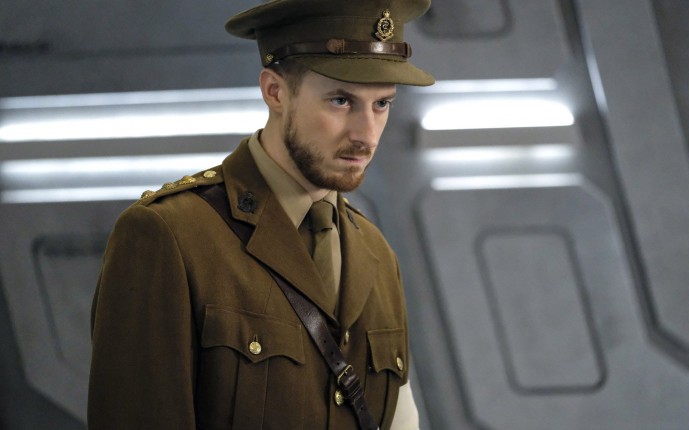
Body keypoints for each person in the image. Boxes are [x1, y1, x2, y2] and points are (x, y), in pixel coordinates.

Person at [88, 0, 435, 428]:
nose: (366, 134)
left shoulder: (377, 255)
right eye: (341, 100)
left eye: (381, 104)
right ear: (275, 92)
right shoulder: (170, 235)